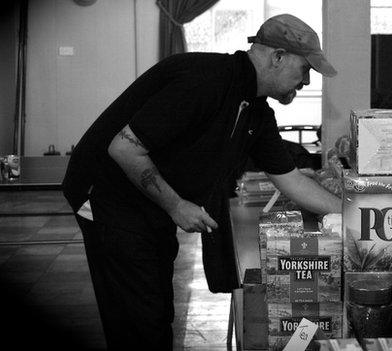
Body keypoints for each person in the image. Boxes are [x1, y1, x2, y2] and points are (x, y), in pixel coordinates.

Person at [62, 13, 341, 350]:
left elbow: (293, 180)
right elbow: (124, 148)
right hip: (109, 197)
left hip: (149, 204)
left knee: (157, 309)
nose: (306, 82)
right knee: (137, 318)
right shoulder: (204, 80)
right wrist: (176, 205)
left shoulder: (256, 111)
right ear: (278, 57)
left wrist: (354, 216)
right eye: (306, 69)